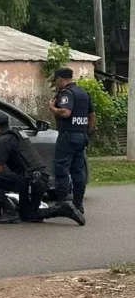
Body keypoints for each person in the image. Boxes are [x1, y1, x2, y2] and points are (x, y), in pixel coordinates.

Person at [0, 110, 84, 225]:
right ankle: (63, 210)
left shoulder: (3, 140)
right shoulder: (16, 134)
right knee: (28, 215)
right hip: (40, 179)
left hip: (30, 181)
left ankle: (9, 212)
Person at [48, 68, 95, 214]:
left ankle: (62, 204)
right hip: (81, 136)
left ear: (60, 79)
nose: (56, 83)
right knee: (78, 171)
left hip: (68, 136)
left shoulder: (66, 94)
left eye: (56, 80)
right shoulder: (83, 93)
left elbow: (65, 112)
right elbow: (92, 115)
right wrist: (87, 131)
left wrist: (52, 108)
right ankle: (78, 204)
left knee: (61, 169)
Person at [0, 192, 84, 225]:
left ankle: (62, 209)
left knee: (31, 216)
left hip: (16, 202)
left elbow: (7, 214)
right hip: (14, 198)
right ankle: (61, 209)